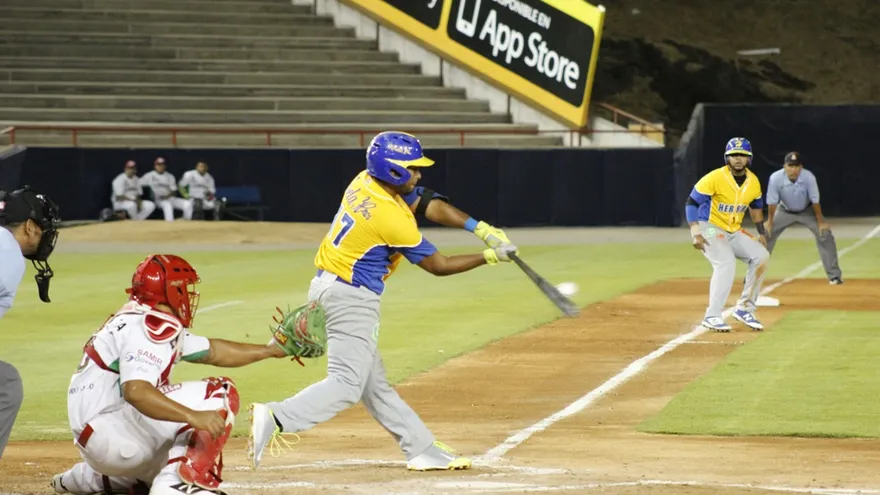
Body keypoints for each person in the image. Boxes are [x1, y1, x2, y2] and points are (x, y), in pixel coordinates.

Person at [248, 131, 518, 471]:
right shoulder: (390, 219)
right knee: (346, 385)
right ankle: (277, 416)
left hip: (328, 287)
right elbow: (439, 265)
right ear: (394, 171)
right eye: (413, 168)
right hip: (352, 299)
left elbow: (426, 202)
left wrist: (480, 228)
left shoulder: (364, 182)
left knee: (373, 384)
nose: (419, 174)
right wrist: (490, 256)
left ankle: (419, 448)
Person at [51, 254, 289, 495]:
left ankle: (86, 479)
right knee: (220, 391)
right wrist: (193, 416)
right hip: (114, 436)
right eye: (183, 287)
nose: (188, 294)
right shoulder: (152, 324)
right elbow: (137, 391)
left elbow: (214, 351)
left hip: (99, 442)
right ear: (168, 290)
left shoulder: (133, 317)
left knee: (172, 446)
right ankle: (175, 486)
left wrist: (270, 350)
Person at [0, 186, 60, 458]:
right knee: (6, 384)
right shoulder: (7, 250)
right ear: (29, 226)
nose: (46, 234)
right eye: (43, 227)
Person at [685, 137, 770, 332]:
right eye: (733, 155)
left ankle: (745, 308)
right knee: (725, 262)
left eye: (742, 155)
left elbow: (756, 208)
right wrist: (696, 232)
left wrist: (761, 233)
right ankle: (712, 315)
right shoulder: (715, 177)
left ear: (749, 158)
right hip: (710, 227)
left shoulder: (753, 181)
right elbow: (691, 203)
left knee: (761, 257)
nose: (738, 159)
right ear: (727, 158)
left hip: (733, 229)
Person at [766, 152, 843, 285]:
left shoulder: (808, 177)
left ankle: (834, 276)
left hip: (807, 210)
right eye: (790, 165)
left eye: (796, 166)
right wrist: (769, 222)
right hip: (784, 210)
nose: (793, 169)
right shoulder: (775, 178)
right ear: (784, 166)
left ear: (801, 167)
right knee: (765, 235)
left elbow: (815, 201)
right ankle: (753, 276)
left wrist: (821, 222)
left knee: (825, 234)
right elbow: (772, 202)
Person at [140, 158, 193, 222]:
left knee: (188, 204)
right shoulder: (149, 175)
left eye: (162, 165)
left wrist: (167, 196)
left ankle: (186, 222)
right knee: (167, 205)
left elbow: (174, 191)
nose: (160, 166)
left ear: (165, 166)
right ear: (155, 166)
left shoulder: (170, 176)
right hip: (158, 200)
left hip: (170, 198)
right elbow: (138, 184)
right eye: (158, 164)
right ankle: (170, 224)